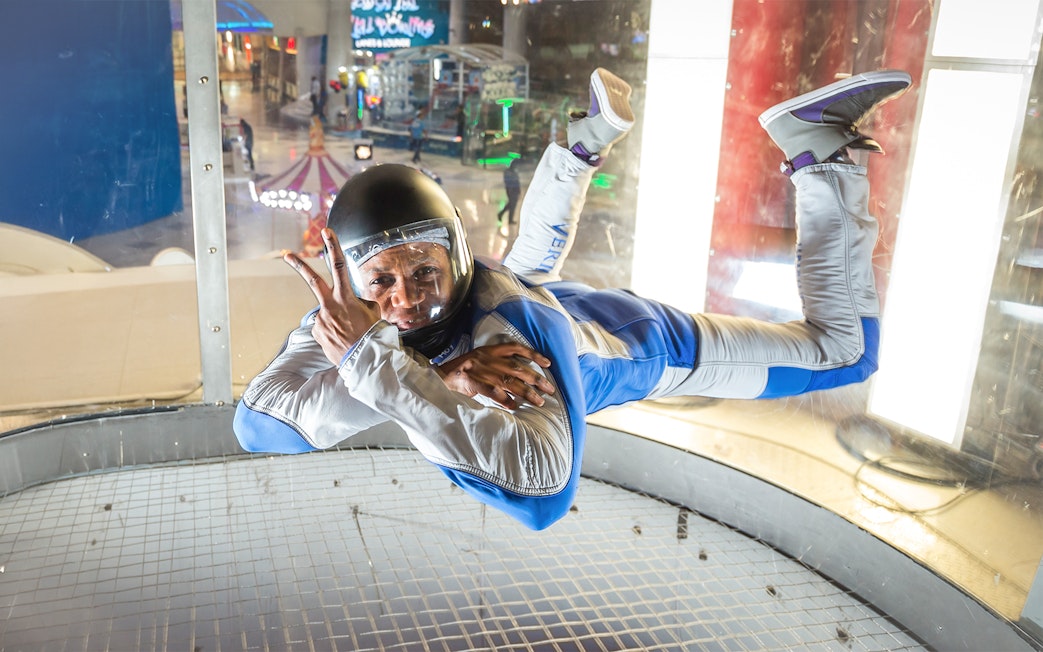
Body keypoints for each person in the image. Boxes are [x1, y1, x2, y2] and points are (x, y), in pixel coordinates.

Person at [234, 68, 911, 531]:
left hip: (645, 343)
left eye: (422, 273)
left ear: (455, 258)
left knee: (842, 353)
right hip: (542, 293)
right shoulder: (360, 325)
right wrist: (423, 375)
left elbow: (544, 492)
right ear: (350, 280)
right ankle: (583, 141)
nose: (405, 301)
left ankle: (817, 150)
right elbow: (257, 426)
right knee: (525, 262)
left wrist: (383, 371)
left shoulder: (508, 339)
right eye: (381, 281)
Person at [497, 159, 522, 226]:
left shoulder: (515, 171)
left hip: (515, 190)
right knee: (512, 205)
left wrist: (519, 190)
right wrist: (510, 190)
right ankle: (508, 219)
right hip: (511, 190)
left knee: (511, 204)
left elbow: (517, 181)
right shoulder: (508, 172)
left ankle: (501, 214)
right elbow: (508, 182)